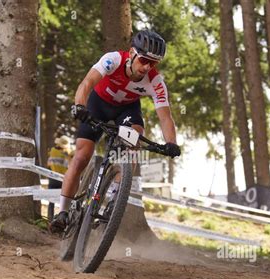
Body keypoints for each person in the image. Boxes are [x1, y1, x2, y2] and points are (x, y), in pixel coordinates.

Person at [50, 30, 181, 233]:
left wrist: (171, 143)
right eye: (144, 59)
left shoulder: (155, 81)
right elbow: (87, 83)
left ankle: (114, 199)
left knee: (134, 139)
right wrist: (79, 106)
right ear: (132, 53)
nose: (147, 67)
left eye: (153, 63)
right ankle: (63, 212)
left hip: (127, 111)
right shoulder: (113, 60)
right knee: (81, 157)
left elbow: (165, 116)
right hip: (98, 105)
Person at [46, 136, 73, 220]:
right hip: (62, 179)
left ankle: (49, 218)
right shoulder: (67, 154)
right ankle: (63, 217)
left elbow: (48, 164)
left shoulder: (52, 151)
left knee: (51, 201)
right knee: (65, 199)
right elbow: (70, 166)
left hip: (52, 178)